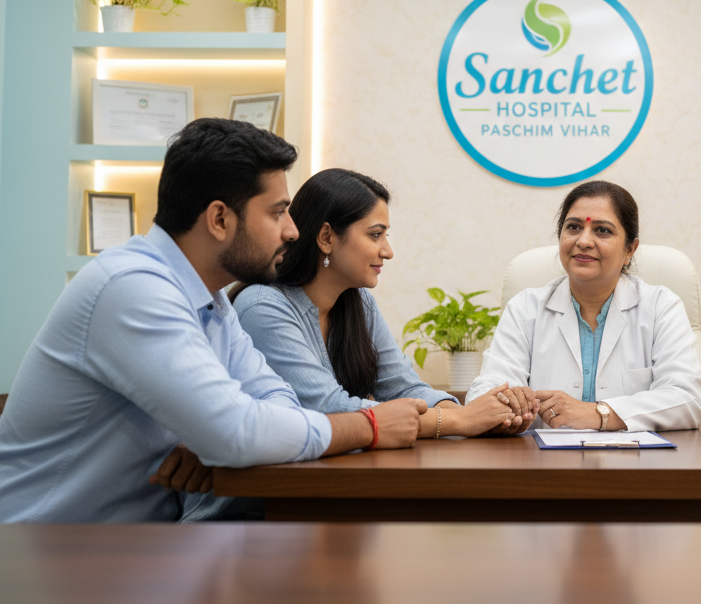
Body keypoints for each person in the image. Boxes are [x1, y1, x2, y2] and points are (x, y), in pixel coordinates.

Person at [0, 119, 427, 523]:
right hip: (42, 559)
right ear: (220, 219)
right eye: (277, 212)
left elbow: (276, 405)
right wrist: (369, 425)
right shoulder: (131, 289)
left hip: (128, 559)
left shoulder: (213, 303)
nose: (293, 231)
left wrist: (220, 442)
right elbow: (239, 430)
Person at [224, 169, 528, 440]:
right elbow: (327, 410)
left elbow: (405, 387)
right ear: (327, 237)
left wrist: (481, 417)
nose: (388, 251)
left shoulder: (358, 303)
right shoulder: (262, 306)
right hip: (256, 498)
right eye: (375, 235)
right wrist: (459, 420)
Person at [466, 181, 701, 431]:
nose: (584, 240)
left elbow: (689, 399)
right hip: (542, 466)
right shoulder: (525, 309)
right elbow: (484, 395)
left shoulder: (660, 307)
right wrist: (508, 406)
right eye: (574, 227)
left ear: (630, 250)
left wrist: (599, 413)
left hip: (635, 465)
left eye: (602, 230)